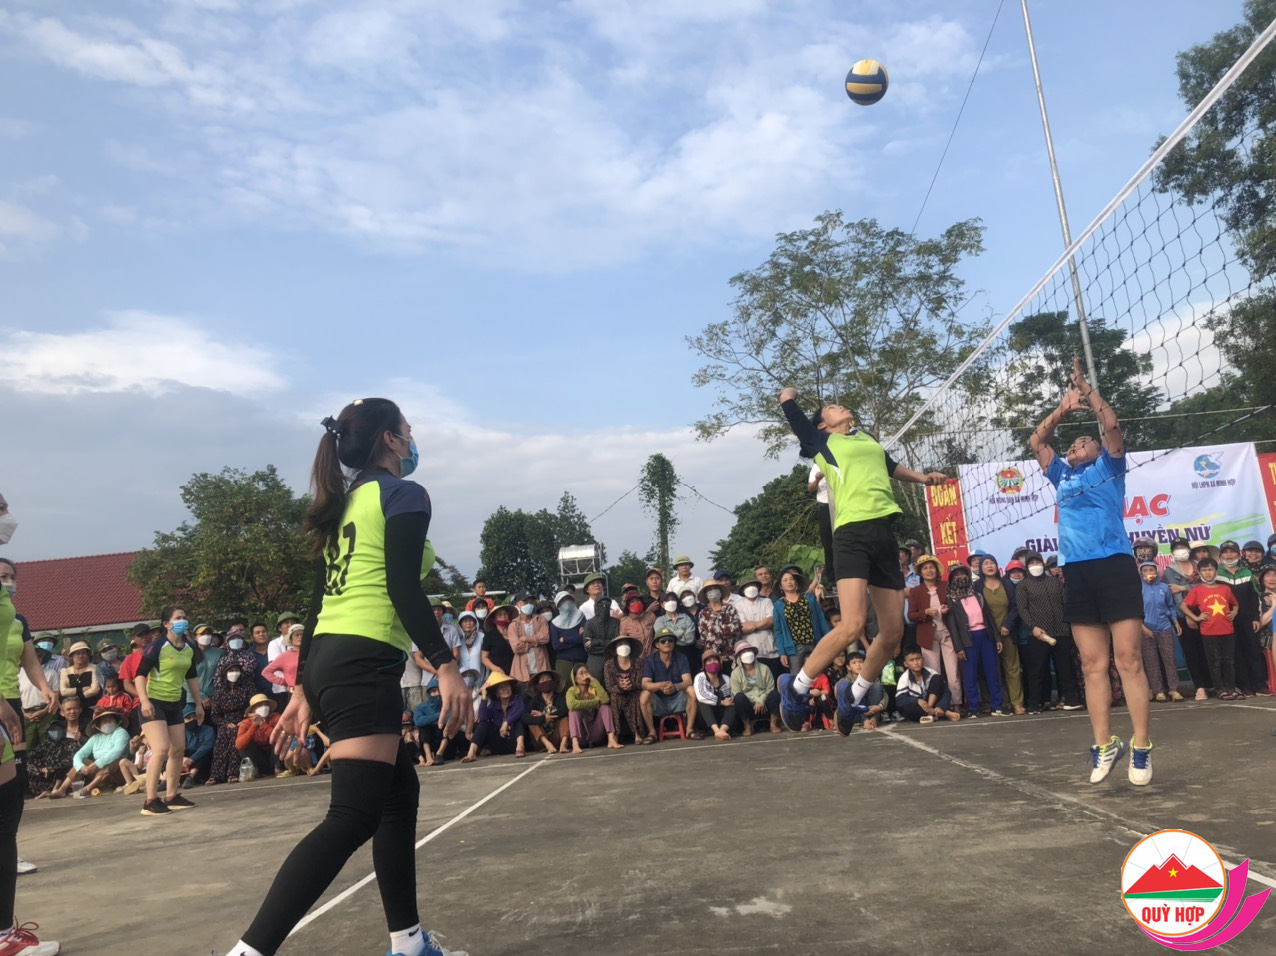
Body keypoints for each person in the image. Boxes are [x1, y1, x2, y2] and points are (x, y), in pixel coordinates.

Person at [224, 397, 469, 956]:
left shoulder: (340, 503)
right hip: (362, 659)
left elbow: (317, 605)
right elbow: (403, 585)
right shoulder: (403, 494)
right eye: (407, 430)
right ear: (389, 439)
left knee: (397, 795)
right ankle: (249, 952)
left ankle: (409, 943)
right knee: (352, 815)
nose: (412, 438)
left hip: (333, 658)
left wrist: (304, 685)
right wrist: (445, 663)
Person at [775, 386, 949, 737]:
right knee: (852, 625)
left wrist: (922, 478)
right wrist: (787, 398)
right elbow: (796, 420)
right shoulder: (822, 442)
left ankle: (853, 696)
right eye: (831, 406)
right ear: (823, 425)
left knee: (893, 632)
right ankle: (796, 688)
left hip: (883, 534)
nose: (839, 405)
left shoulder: (866, 438)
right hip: (851, 535)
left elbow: (889, 466)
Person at [1029, 356, 1153, 785]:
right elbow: (1036, 441)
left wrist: (1086, 391)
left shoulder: (1110, 468)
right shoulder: (1061, 476)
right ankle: (1105, 744)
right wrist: (1062, 410)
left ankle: (1141, 745)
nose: (1075, 446)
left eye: (1085, 441)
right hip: (1077, 572)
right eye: (1073, 444)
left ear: (1099, 450)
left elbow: (1112, 426)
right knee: (1092, 664)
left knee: (1128, 659)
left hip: (1114, 566)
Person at [135, 605, 203, 815]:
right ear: (166, 624)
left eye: (184, 617)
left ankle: (172, 796)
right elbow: (139, 675)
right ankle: (150, 800)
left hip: (175, 703)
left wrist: (198, 704)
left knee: (178, 749)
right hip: (154, 703)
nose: (183, 620)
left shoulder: (189, 648)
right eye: (178, 617)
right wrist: (144, 701)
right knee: (161, 749)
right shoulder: (157, 647)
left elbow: (192, 677)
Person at [1015, 552, 1083, 712]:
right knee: (1037, 670)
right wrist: (1032, 627)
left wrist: (1068, 625)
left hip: (1061, 630)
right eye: (1031, 563)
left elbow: (1065, 603)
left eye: (1037, 562)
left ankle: (1071, 700)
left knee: (1065, 667)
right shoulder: (1023, 585)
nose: (1035, 566)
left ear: (1043, 564)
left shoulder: (1054, 582)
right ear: (1027, 566)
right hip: (1039, 634)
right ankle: (1035, 704)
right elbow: (1022, 609)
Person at [946, 565, 1004, 719]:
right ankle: (973, 708)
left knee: (992, 672)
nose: (961, 578)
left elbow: (989, 617)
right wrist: (959, 648)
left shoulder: (977, 594)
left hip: (985, 636)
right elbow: (953, 626)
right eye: (956, 575)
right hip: (968, 640)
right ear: (951, 579)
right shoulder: (951, 599)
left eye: (963, 574)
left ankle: (997, 705)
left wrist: (997, 638)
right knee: (970, 676)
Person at [907, 555, 962, 711]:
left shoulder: (946, 586)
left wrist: (946, 609)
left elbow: (957, 607)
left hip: (948, 633)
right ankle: (937, 705)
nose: (929, 571)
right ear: (920, 572)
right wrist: (925, 612)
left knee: (953, 672)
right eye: (925, 568)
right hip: (927, 637)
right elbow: (911, 615)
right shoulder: (915, 591)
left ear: (937, 570)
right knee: (933, 673)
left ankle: (956, 703)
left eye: (931, 567)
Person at [974, 555, 1026, 716]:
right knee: (993, 671)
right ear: (981, 568)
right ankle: (1001, 703)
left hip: (1007, 632)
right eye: (986, 563)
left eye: (992, 563)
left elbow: (1016, 607)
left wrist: (1007, 625)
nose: (990, 566)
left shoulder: (1007, 584)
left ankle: (1017, 703)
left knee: (1012, 669)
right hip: (987, 635)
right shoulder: (976, 586)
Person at [46, 705, 136, 798]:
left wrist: (97, 764)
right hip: (99, 773)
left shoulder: (120, 732)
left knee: (114, 760)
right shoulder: (95, 738)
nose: (107, 723)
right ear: (99, 725)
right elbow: (79, 754)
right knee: (83, 761)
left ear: (117, 722)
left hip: (119, 773)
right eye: (104, 721)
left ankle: (87, 789)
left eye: (110, 720)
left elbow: (117, 751)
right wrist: (81, 767)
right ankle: (62, 790)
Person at [1183, 558, 1240, 700]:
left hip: (1227, 630)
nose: (1207, 573)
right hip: (1209, 632)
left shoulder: (1225, 589)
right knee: (1214, 661)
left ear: (1216, 571)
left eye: (1210, 570)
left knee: (1229, 660)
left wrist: (1234, 612)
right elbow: (1183, 606)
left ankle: (1231, 687)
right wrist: (1196, 617)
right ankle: (1220, 689)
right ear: (1199, 573)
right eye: (1204, 570)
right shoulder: (1197, 590)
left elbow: (1235, 604)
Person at [1219, 540, 1267, 696]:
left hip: (1247, 619)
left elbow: (1254, 597)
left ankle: (1259, 685)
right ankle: (1244, 685)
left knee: (1253, 650)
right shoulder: (1217, 573)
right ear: (1221, 556)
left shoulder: (1246, 572)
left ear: (1239, 554)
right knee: (1236, 653)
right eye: (1225, 552)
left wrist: (1255, 618)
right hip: (1227, 619)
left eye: (1232, 551)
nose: (1229, 555)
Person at [1163, 537, 1210, 700]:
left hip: (1206, 612)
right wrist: (1188, 616)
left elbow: (1206, 585)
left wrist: (1184, 587)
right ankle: (1200, 686)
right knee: (1191, 652)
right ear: (1172, 552)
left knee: (1207, 649)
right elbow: (1175, 595)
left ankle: (1212, 684)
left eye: (1183, 547)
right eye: (1177, 548)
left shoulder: (1199, 565)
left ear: (1189, 550)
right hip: (1185, 615)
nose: (1181, 550)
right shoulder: (1170, 570)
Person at [639, 626, 698, 743]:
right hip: (659, 701)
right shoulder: (650, 660)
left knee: (691, 689)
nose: (667, 643)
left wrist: (675, 687)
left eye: (670, 640)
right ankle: (652, 732)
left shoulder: (681, 657)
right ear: (657, 645)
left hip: (678, 698)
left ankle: (690, 730)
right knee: (644, 695)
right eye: (663, 641)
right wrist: (660, 686)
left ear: (674, 643)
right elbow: (645, 684)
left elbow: (688, 681)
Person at [207, 653, 256, 786]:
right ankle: (216, 775)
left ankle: (233, 773)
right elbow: (215, 715)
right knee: (221, 741)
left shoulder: (247, 688)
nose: (234, 673)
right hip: (226, 722)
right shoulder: (219, 692)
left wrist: (243, 720)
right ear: (225, 673)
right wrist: (225, 723)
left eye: (236, 670)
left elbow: (253, 707)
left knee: (236, 737)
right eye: (231, 670)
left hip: (243, 719)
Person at [774, 567, 830, 678]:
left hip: (814, 643)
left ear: (796, 582)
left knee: (818, 675)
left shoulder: (809, 599)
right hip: (794, 648)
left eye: (791, 579)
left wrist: (828, 640)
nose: (789, 582)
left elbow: (821, 620)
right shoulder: (779, 605)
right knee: (796, 678)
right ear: (781, 586)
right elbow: (778, 630)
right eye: (785, 580)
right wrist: (782, 652)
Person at [464, 673, 525, 762]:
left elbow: (520, 710)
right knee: (483, 723)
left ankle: (520, 747)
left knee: (518, 720)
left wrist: (506, 722)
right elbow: (483, 717)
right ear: (497, 693)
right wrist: (483, 697)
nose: (505, 689)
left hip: (513, 742)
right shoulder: (494, 705)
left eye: (507, 686)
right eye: (501, 688)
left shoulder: (517, 699)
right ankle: (471, 752)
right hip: (498, 744)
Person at [894, 648, 961, 723]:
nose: (916, 663)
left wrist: (941, 706)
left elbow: (946, 692)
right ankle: (943, 713)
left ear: (923, 659)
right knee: (908, 708)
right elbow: (900, 700)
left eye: (918, 659)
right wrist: (917, 700)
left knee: (937, 678)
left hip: (933, 703)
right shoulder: (904, 679)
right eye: (911, 660)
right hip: (919, 706)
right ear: (906, 664)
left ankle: (933, 712)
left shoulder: (932, 673)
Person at [565, 664, 621, 752]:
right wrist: (594, 702)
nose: (585, 675)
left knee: (605, 708)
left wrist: (593, 681)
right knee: (573, 712)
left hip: (595, 731)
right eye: (581, 673)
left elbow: (605, 700)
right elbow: (571, 705)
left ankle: (611, 739)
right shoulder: (572, 691)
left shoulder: (592, 689)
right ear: (575, 679)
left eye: (586, 672)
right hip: (581, 734)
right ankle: (575, 744)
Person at [732, 575, 779, 679]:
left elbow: (771, 620)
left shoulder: (767, 601)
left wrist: (753, 626)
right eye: (747, 586)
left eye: (753, 585)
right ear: (743, 590)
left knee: (774, 679)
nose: (751, 588)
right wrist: (764, 623)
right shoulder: (737, 605)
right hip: (751, 650)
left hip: (771, 649)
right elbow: (743, 627)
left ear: (757, 587)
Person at [729, 640, 780, 735]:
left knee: (775, 694)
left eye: (749, 650)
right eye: (743, 652)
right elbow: (736, 693)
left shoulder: (765, 668)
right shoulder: (735, 673)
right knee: (739, 697)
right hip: (749, 708)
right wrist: (756, 700)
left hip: (765, 706)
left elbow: (770, 688)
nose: (747, 653)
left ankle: (773, 724)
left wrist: (761, 700)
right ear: (739, 656)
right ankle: (747, 726)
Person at [602, 635, 645, 742]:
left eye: (626, 644)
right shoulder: (609, 665)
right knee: (614, 698)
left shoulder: (638, 662)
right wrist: (620, 687)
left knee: (636, 698)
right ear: (615, 649)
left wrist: (631, 685)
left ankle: (637, 733)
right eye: (620, 644)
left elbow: (642, 682)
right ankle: (615, 734)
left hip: (634, 692)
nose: (624, 646)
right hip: (617, 693)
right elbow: (609, 686)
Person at [692, 648, 738, 740]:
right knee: (703, 702)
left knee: (732, 704)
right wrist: (721, 702)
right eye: (709, 660)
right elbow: (701, 696)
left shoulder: (726, 678)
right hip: (706, 718)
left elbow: (731, 696)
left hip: (722, 716)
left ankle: (723, 730)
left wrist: (727, 701)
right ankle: (716, 731)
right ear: (704, 664)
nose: (712, 662)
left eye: (715, 660)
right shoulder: (700, 677)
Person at [507, 594, 552, 685]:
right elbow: (516, 648)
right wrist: (536, 642)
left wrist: (527, 639)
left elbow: (545, 638)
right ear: (518, 604)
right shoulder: (513, 625)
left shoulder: (540, 619)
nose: (529, 604)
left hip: (541, 668)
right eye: (525, 602)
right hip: (522, 672)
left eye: (530, 601)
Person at [694, 582, 741, 668]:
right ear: (706, 595)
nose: (713, 591)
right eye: (709, 590)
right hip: (712, 657)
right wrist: (723, 630)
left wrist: (712, 629)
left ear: (720, 591)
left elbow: (735, 628)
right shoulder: (703, 612)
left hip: (730, 655)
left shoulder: (729, 608)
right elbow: (704, 635)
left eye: (715, 588)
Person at [523, 670, 568, 756]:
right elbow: (525, 717)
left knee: (565, 718)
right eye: (542, 680)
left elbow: (565, 710)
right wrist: (543, 718)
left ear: (553, 682)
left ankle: (564, 743)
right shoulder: (535, 701)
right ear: (538, 685)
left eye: (548, 679)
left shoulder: (560, 697)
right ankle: (548, 745)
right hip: (542, 739)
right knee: (531, 722)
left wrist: (547, 716)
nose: (545, 682)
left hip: (558, 735)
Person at [237, 693, 281, 778]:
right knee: (245, 746)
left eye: (265, 705)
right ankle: (255, 770)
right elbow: (239, 745)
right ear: (253, 710)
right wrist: (254, 726)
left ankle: (278, 768)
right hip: (260, 759)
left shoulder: (276, 718)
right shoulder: (246, 723)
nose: (263, 707)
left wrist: (262, 724)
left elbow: (279, 738)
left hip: (275, 756)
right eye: (260, 706)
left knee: (280, 740)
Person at [549, 591, 586, 687]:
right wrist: (576, 639)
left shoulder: (581, 617)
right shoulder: (554, 623)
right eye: (563, 601)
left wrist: (565, 639)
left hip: (581, 660)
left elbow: (583, 639)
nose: (566, 602)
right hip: (564, 662)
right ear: (558, 605)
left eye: (568, 599)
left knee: (584, 688)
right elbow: (556, 646)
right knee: (564, 688)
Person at [809, 465, 835, 589]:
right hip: (825, 506)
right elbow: (810, 488)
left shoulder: (840, 462)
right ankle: (832, 579)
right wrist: (817, 479)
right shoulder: (817, 466)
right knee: (828, 544)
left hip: (842, 505)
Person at [583, 596, 620, 682]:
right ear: (596, 606)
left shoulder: (615, 623)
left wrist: (595, 642)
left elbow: (615, 645)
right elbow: (587, 647)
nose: (604, 606)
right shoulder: (590, 623)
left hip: (611, 660)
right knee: (595, 686)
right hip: (594, 661)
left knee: (613, 685)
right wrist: (608, 643)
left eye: (607, 604)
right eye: (601, 604)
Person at [58, 641, 101, 710]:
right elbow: (63, 691)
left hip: (91, 707)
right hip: (72, 709)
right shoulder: (65, 671)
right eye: (77, 654)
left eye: (83, 653)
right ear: (72, 656)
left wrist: (75, 695)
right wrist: (82, 689)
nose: (81, 656)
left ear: (87, 655)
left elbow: (95, 690)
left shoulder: (94, 668)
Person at [261, 625, 303, 694]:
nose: (300, 637)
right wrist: (283, 682)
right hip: (294, 693)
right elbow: (266, 672)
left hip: (312, 692)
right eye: (297, 635)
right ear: (291, 639)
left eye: (302, 635)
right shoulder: (285, 656)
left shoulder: (312, 653)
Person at [181, 702, 216, 786]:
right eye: (188, 718)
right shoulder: (181, 732)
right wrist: (182, 759)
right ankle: (165, 779)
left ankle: (190, 777)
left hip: (200, 760)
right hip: (184, 760)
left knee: (203, 753)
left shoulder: (208, 729)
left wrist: (192, 759)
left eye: (194, 716)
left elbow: (208, 745)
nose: (192, 719)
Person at [411, 679, 444, 766]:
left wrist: (428, 719)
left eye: (440, 690)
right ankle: (428, 756)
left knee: (447, 726)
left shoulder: (447, 704)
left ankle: (439, 754)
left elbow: (449, 717)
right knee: (423, 726)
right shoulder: (421, 707)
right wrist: (440, 715)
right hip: (429, 741)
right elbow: (418, 721)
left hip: (445, 745)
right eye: (434, 691)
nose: (438, 693)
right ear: (429, 693)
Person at [193, 624, 224, 710]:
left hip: (214, 699)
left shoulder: (219, 653)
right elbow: (185, 679)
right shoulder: (189, 653)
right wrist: (201, 696)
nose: (206, 636)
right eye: (202, 634)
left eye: (208, 634)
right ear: (195, 637)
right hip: (193, 699)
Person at [619, 593, 656, 659]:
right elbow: (623, 642)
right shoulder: (625, 622)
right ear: (628, 606)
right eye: (632, 602)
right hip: (635, 659)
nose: (636, 603)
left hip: (652, 658)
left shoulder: (651, 616)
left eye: (638, 601)